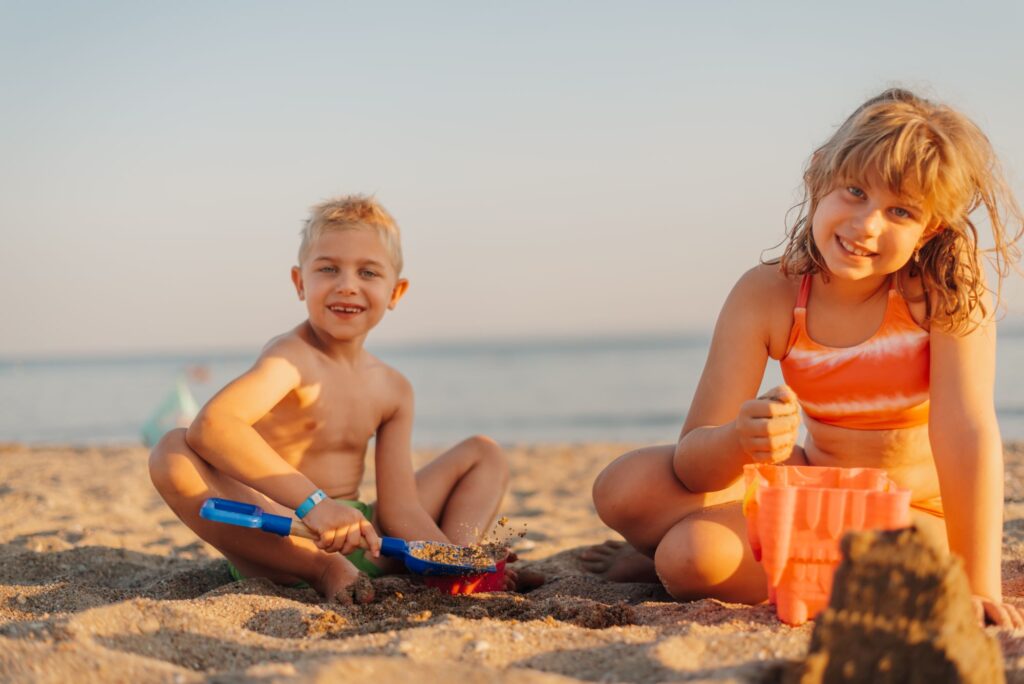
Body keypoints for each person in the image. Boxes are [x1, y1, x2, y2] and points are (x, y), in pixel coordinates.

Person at [584, 88, 1024, 627]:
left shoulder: (941, 289)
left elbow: (966, 433)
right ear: (818, 177)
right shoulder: (766, 295)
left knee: (690, 556)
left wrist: (978, 586)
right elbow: (691, 465)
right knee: (625, 486)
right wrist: (738, 440)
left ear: (929, 228)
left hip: (908, 516)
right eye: (855, 191)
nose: (866, 225)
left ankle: (666, 561)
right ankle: (684, 561)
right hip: (810, 485)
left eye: (900, 210)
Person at [149, 195, 519, 604]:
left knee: (484, 454)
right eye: (328, 269)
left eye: (368, 272)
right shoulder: (291, 358)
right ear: (299, 282)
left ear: (396, 291)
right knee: (172, 450)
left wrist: (444, 556)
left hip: (365, 538)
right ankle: (324, 569)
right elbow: (214, 427)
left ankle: (458, 568)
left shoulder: (393, 388)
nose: (347, 284)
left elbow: (400, 511)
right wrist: (314, 504)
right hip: (283, 537)